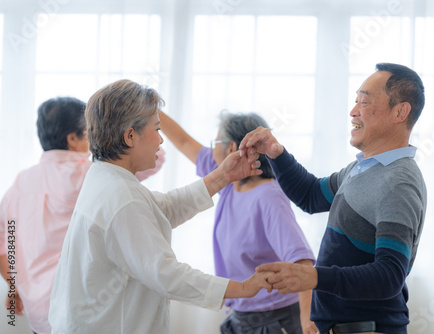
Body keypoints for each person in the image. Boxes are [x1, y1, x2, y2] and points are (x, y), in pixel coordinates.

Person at [48, 79, 272, 334]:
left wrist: (222, 177)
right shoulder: (121, 198)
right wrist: (243, 288)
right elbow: (166, 274)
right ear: (130, 136)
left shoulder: (105, 177)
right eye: (157, 129)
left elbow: (161, 209)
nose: (161, 141)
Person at [240, 63, 427, 334]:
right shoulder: (362, 168)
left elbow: (389, 275)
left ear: (400, 112)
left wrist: (313, 276)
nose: (353, 112)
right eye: (356, 102)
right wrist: (275, 152)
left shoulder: (399, 182)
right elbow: (312, 195)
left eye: (364, 102)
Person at [0, 97, 165, 334]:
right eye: (90, 131)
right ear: (73, 138)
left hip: (37, 315)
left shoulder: (20, 183)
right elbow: (155, 159)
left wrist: (14, 285)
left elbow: (6, 242)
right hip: (81, 314)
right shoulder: (90, 174)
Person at [159, 110, 318, 334]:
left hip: (276, 317)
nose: (210, 148)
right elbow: (184, 141)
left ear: (232, 148)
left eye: (214, 142)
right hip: (243, 314)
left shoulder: (268, 197)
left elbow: (301, 261)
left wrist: (306, 321)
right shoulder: (228, 183)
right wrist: (150, 106)